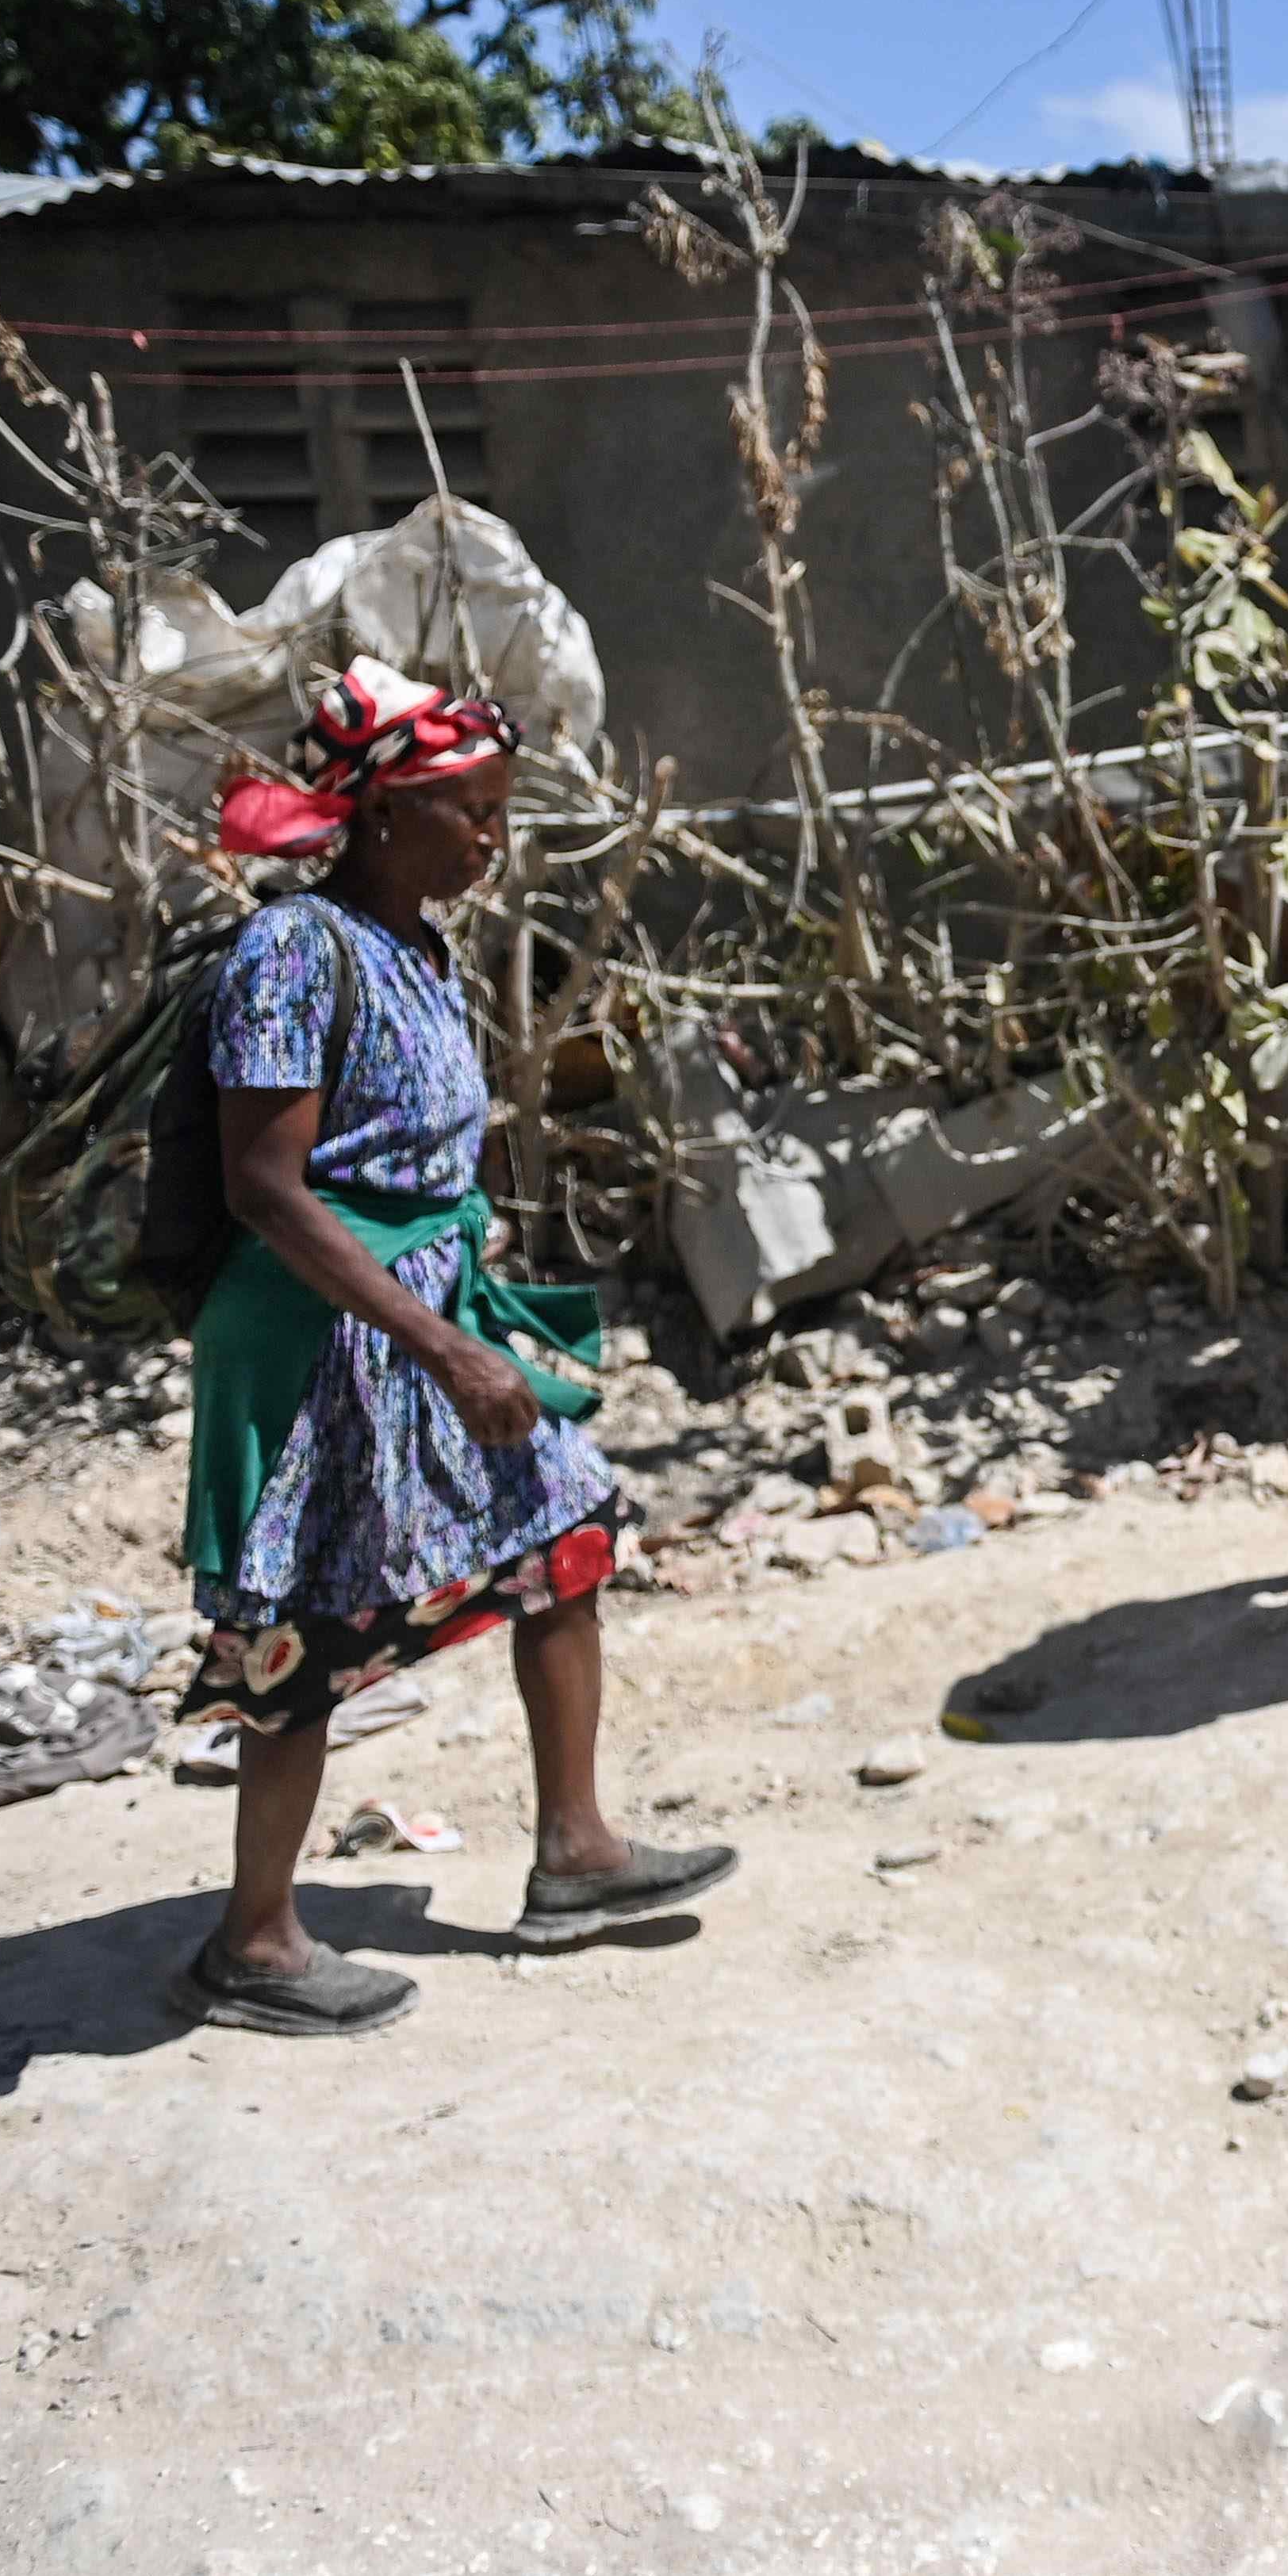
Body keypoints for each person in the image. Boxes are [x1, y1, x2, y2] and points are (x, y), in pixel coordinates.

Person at [173, 658, 734, 2036]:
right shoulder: (293, 952)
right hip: (324, 1339)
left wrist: (458, 1325)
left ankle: (576, 1851)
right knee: (305, 1630)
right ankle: (252, 1942)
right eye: (469, 813)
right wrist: (442, 1347)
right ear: (378, 816)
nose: (491, 839)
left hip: (424, 1314)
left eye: (498, 812)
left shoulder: (414, 941)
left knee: (565, 1539)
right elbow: (266, 1184)